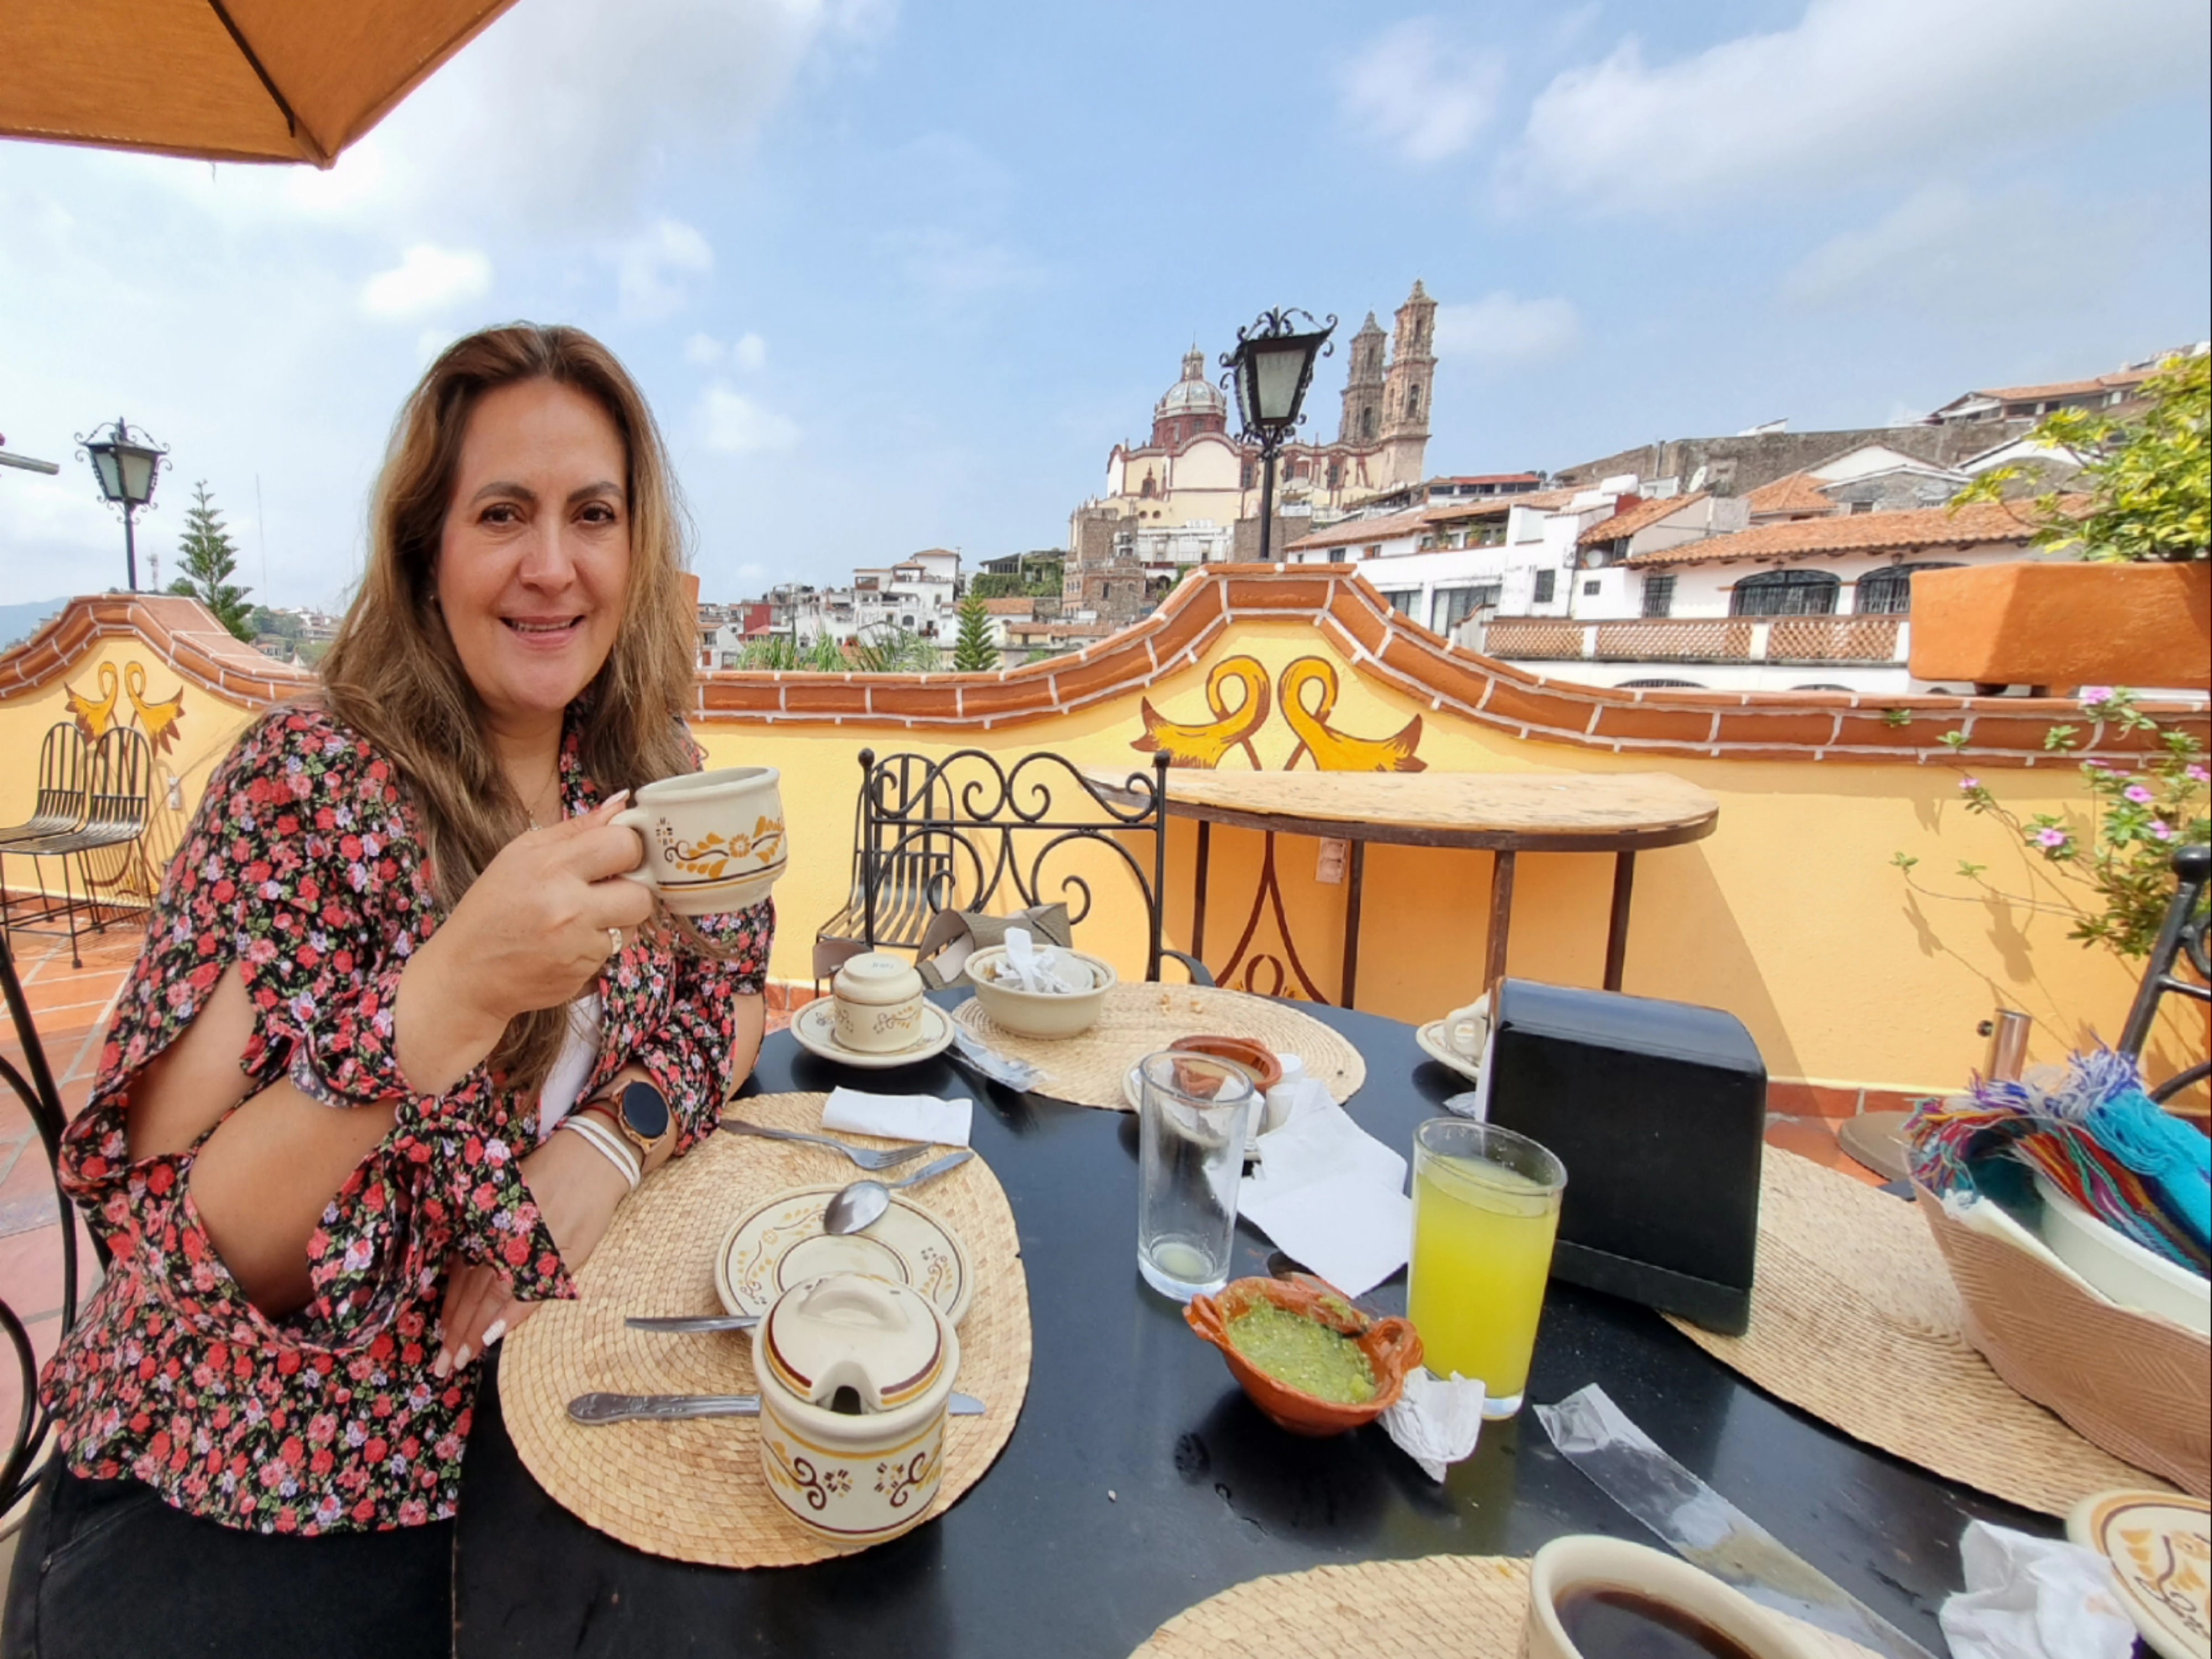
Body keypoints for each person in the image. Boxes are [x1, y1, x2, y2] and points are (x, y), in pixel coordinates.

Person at [3, 324, 772, 1657]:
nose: (551, 565)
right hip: (256, 1479)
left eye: (592, 513)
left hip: (536, 1431)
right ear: (428, 551)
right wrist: (444, 1000)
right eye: (500, 514)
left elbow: (734, 1001)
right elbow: (181, 1242)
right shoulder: (305, 788)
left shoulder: (642, 774)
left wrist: (601, 1145)